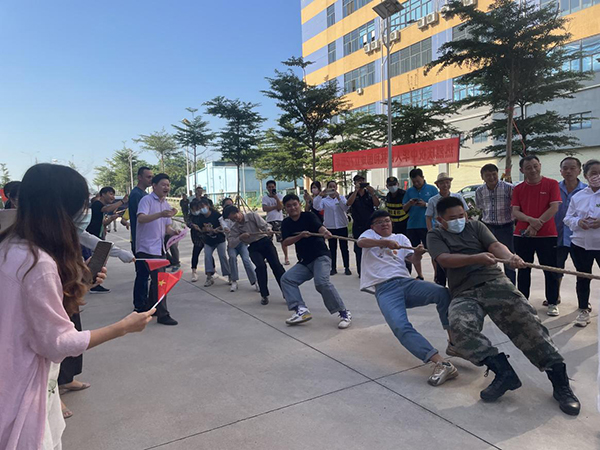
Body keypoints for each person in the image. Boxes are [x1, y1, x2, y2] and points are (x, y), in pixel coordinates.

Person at [0, 163, 154, 450]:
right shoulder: (38, 263)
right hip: (23, 391)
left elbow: (28, 309)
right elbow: (58, 343)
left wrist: (79, 284)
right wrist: (123, 327)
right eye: (78, 206)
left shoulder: (10, 246)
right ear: (62, 209)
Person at [428, 196, 580, 416]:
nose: (459, 220)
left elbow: (496, 245)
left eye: (462, 215)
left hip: (494, 282)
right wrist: (476, 258)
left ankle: (561, 383)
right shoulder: (435, 235)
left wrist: (510, 257)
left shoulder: (476, 227)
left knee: (528, 323)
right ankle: (504, 372)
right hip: (464, 291)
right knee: (459, 327)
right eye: (452, 218)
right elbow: (444, 259)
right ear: (441, 220)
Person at [358, 210, 457, 386]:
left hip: (406, 283)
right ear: (373, 227)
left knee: (442, 293)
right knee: (400, 326)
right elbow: (361, 243)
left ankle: (454, 343)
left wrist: (418, 253)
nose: (385, 224)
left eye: (387, 221)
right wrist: (385, 243)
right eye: (380, 222)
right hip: (385, 289)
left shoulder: (401, 238)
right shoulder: (369, 235)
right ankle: (441, 363)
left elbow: (413, 260)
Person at [280, 194, 352, 329]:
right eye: (289, 206)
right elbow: (285, 242)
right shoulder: (286, 223)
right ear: (285, 208)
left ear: (299, 204)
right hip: (305, 261)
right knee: (287, 279)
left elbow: (320, 227)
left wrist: (326, 232)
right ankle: (301, 309)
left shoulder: (308, 216)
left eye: (294, 204)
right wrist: (300, 236)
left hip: (321, 256)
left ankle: (344, 312)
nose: (292, 208)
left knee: (321, 283)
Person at [512, 156, 562, 316]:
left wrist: (536, 224)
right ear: (522, 170)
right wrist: (530, 221)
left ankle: (552, 302)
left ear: (540, 165)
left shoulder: (552, 184)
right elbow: (515, 211)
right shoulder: (518, 188)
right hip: (522, 235)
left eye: (535, 166)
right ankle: (523, 302)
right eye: (528, 167)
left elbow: (554, 208)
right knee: (523, 269)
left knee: (550, 269)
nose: (533, 170)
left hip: (547, 234)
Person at [135, 173, 180, 326]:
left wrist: (174, 232)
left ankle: (152, 308)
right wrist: (160, 214)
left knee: (157, 281)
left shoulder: (166, 204)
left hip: (159, 248)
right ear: (154, 186)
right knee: (161, 281)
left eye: (168, 185)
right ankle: (163, 315)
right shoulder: (146, 200)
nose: (166, 187)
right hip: (147, 247)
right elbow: (141, 218)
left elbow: (167, 227)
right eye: (163, 184)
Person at [564, 159, 600, 327]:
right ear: (585, 175)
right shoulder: (578, 196)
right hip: (580, 245)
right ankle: (583, 310)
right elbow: (567, 218)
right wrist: (578, 222)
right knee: (583, 278)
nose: (597, 176)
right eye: (594, 173)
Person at [227, 206, 285, 305]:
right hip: (253, 247)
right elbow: (231, 243)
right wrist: (240, 237)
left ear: (239, 211)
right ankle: (264, 294)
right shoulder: (235, 228)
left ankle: (287, 291)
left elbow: (265, 226)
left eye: (236, 217)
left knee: (276, 266)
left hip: (265, 242)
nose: (236, 220)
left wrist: (268, 230)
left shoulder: (252, 216)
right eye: (233, 220)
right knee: (260, 267)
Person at [475, 164, 516, 284]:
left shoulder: (509, 188)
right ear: (482, 177)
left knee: (509, 260)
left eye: (494, 174)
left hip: (506, 228)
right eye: (488, 175)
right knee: (488, 259)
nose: (491, 177)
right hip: (487, 228)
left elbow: (515, 206)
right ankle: (490, 285)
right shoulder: (479, 191)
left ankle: (511, 287)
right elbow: (480, 207)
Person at [554, 157, 586, 306]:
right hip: (558, 236)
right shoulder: (554, 189)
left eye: (572, 168)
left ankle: (583, 302)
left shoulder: (587, 191)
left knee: (582, 271)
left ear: (579, 171)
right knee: (556, 268)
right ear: (560, 171)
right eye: (565, 168)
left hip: (579, 238)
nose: (568, 171)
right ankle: (555, 296)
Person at [425, 173, 468, 287]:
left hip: (457, 231)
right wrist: (430, 232)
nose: (445, 185)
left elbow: (465, 213)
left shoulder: (458, 197)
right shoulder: (433, 200)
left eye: (447, 182)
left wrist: (465, 226)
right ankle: (440, 282)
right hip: (440, 231)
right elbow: (428, 217)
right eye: (442, 183)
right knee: (440, 257)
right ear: (438, 185)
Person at [86, 187, 128, 293]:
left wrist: (112, 218)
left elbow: (103, 223)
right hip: (91, 238)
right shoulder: (97, 204)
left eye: (113, 195)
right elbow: (107, 209)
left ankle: (94, 283)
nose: (113, 197)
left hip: (98, 237)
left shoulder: (100, 207)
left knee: (99, 261)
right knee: (95, 261)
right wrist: (122, 201)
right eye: (110, 194)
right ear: (103, 194)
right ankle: (93, 285)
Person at [313, 180, 351, 276]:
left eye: (334, 186)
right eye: (330, 186)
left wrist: (338, 198)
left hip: (342, 226)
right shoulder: (324, 200)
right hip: (330, 227)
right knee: (332, 248)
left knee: (344, 248)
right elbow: (316, 207)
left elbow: (345, 208)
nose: (332, 188)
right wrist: (320, 195)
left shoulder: (341, 198)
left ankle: (347, 267)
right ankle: (333, 268)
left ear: (337, 187)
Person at [129, 166, 154, 311]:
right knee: (142, 273)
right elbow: (143, 217)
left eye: (151, 177)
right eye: (148, 177)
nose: (150, 179)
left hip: (144, 239)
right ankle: (139, 305)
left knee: (145, 273)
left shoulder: (143, 194)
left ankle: (143, 302)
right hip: (140, 240)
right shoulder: (137, 195)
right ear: (139, 177)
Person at [346, 174, 379, 277]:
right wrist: (356, 191)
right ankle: (361, 271)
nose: (360, 183)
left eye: (362, 181)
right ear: (354, 183)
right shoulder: (352, 194)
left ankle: (372, 270)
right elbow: (348, 203)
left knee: (372, 247)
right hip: (358, 225)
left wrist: (373, 193)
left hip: (369, 225)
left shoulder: (369, 194)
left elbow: (377, 204)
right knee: (358, 248)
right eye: (358, 181)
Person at [195, 198, 231, 287]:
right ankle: (209, 277)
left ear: (208, 206)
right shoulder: (200, 217)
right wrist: (204, 229)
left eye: (203, 206)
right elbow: (201, 229)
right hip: (208, 240)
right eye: (199, 207)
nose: (201, 209)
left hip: (219, 239)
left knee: (222, 256)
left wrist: (216, 229)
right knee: (207, 256)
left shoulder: (216, 215)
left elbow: (223, 225)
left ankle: (229, 275)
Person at [402, 168, 439, 254]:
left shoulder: (432, 189)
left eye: (418, 181)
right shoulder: (409, 191)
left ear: (423, 177)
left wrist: (425, 204)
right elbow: (404, 208)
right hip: (412, 225)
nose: (416, 184)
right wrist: (410, 203)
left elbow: (438, 206)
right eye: (414, 182)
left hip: (427, 225)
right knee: (413, 251)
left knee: (432, 250)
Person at [222, 205, 258, 293]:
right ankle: (234, 280)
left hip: (242, 244)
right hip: (232, 244)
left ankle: (255, 281)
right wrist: (239, 236)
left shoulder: (244, 218)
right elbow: (231, 242)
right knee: (232, 258)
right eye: (231, 219)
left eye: (234, 217)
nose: (234, 219)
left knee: (246, 260)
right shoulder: (223, 220)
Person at [262, 180, 289, 265]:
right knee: (268, 240)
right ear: (267, 188)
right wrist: (275, 207)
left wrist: (276, 198)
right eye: (269, 187)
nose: (271, 189)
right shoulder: (265, 198)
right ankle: (268, 256)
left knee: (282, 240)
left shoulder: (280, 196)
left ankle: (286, 257)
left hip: (279, 220)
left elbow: (280, 207)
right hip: (269, 220)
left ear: (275, 187)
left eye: (272, 187)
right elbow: (265, 208)